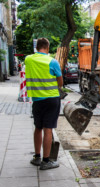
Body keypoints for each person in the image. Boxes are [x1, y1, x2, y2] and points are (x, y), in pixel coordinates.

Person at [25, 38, 63, 170]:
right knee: (48, 129)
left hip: (37, 100)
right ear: (47, 47)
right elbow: (60, 82)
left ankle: (37, 157)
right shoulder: (52, 62)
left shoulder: (28, 59)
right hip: (52, 99)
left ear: (37, 48)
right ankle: (46, 161)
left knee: (38, 127)